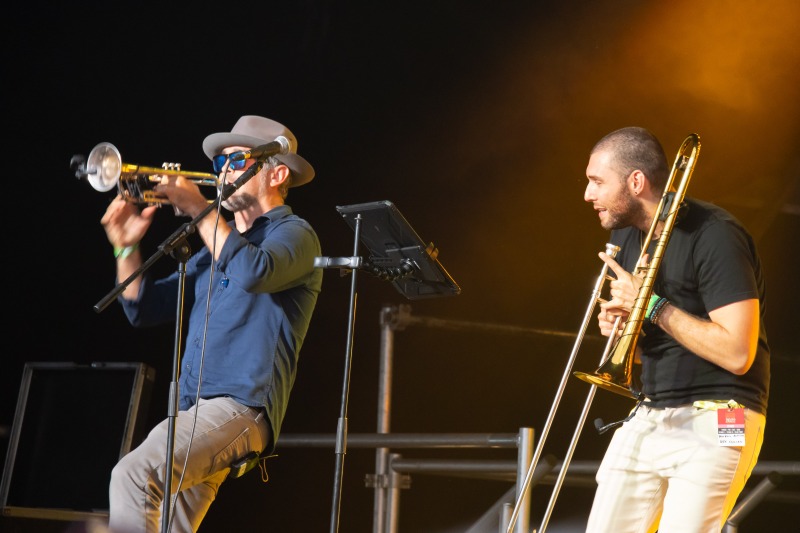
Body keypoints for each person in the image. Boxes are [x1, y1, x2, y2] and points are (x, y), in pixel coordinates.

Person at [101, 115, 323, 532]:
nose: (221, 174)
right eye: (218, 165)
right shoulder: (209, 252)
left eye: (234, 162)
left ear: (276, 173)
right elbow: (143, 307)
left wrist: (199, 209)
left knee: (132, 476)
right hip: (194, 409)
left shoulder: (296, 235)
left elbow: (254, 272)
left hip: (240, 407)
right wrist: (125, 246)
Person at [582, 127, 769, 532]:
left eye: (597, 182)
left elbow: (738, 353)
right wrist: (620, 329)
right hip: (651, 410)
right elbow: (647, 335)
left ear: (636, 181)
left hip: (722, 414)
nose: (587, 195)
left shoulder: (714, 233)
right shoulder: (626, 238)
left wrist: (648, 304)